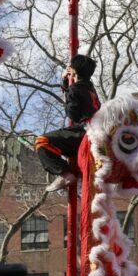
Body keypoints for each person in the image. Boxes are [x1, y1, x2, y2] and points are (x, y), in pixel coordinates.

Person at [35, 54, 101, 192]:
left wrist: (69, 91)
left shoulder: (75, 89)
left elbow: (72, 114)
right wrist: (67, 83)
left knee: (42, 141)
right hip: (95, 133)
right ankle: (73, 173)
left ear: (74, 71)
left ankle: (65, 174)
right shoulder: (91, 89)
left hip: (83, 132)